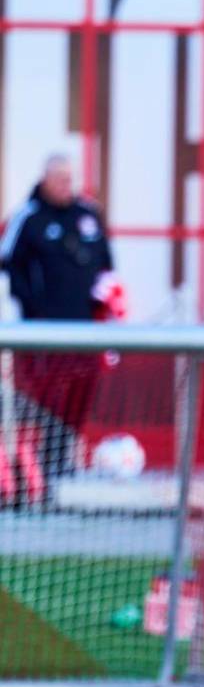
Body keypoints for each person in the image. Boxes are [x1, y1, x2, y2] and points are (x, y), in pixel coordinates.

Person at [0, 154, 118, 492]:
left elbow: (107, 265)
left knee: (80, 393)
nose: (67, 186)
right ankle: (41, 464)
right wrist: (33, 308)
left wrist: (106, 305)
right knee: (46, 397)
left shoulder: (88, 215)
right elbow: (9, 262)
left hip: (86, 331)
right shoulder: (29, 217)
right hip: (43, 333)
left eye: (70, 179)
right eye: (60, 179)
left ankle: (65, 460)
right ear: (46, 180)